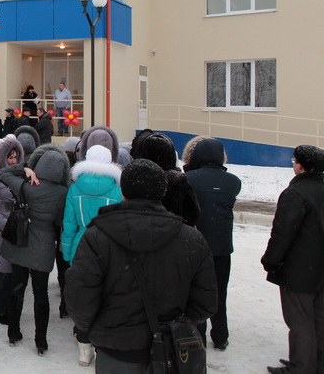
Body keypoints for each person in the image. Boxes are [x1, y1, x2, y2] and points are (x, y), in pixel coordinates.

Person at [65, 159, 218, 372]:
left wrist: (98, 329)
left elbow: (79, 297)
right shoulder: (191, 238)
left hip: (115, 350)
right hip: (171, 351)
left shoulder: (97, 237)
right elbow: (206, 301)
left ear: (123, 193)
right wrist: (176, 325)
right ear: (162, 192)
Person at [0, 144, 70, 355]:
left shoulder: (27, 186)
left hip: (21, 242)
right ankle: (41, 341)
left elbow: (4, 171)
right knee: (41, 294)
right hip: (44, 245)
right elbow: (59, 221)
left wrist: (25, 168)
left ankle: (13, 331)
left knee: (16, 288)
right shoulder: (63, 192)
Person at [262, 145, 324, 374]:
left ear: (301, 165)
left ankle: (301, 367)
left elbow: (282, 233)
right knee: (319, 319)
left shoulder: (295, 194)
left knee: (299, 321)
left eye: (294, 161)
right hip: (319, 270)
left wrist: (271, 260)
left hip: (299, 271)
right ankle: (316, 363)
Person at [61, 144, 123, 365]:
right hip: (110, 247)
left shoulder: (75, 188)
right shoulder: (118, 190)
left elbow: (69, 224)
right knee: (107, 296)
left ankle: (84, 347)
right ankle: (103, 343)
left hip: (82, 245)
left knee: (84, 297)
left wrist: (67, 253)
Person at [182, 136, 241, 351]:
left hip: (196, 243)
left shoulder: (189, 178)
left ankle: (198, 334)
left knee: (196, 290)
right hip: (223, 246)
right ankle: (220, 335)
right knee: (220, 291)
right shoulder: (233, 182)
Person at [137, 131, 200, 226]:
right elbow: (193, 214)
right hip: (174, 233)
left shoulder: (137, 177)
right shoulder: (178, 180)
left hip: (140, 233)